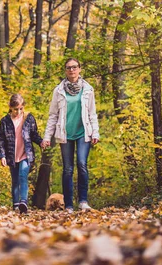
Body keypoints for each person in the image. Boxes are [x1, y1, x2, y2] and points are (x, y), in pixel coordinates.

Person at [41, 58, 100, 213]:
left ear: (79, 69)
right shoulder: (59, 91)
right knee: (67, 169)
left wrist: (96, 132)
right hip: (65, 134)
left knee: (82, 164)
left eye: (74, 67)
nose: (72, 70)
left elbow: (92, 113)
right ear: (65, 71)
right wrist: (47, 137)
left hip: (83, 133)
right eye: (68, 68)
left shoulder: (88, 89)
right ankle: (68, 205)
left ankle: (83, 201)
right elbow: (53, 115)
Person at [0, 94, 43, 214]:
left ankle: (24, 202)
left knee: (23, 175)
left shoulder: (29, 118)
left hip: (26, 153)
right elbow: (1, 140)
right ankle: (16, 205)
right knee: (15, 180)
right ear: (10, 107)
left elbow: (34, 134)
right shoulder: (5, 121)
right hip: (12, 155)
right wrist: (2, 156)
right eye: (15, 109)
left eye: (21, 109)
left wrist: (41, 142)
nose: (18, 112)